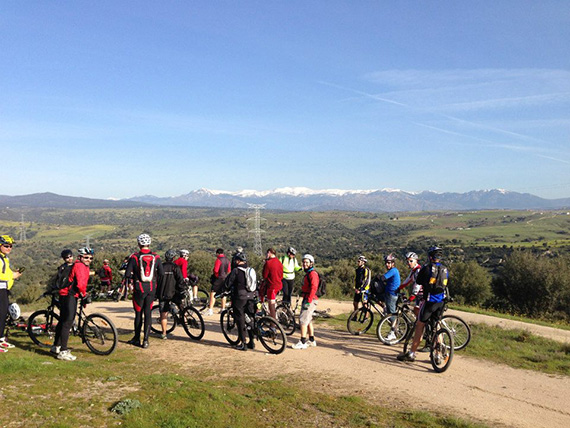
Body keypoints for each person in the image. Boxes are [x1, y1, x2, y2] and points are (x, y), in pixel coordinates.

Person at [398, 246, 449, 363]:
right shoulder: (445, 269)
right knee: (437, 326)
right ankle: (437, 356)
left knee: (420, 326)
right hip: (440, 302)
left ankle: (411, 353)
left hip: (428, 302)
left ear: (430, 256)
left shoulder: (426, 268)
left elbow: (419, 281)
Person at [51, 246, 93, 360]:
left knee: (63, 320)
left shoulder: (82, 265)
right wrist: (84, 294)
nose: (89, 260)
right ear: (80, 257)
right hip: (69, 295)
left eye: (91, 258)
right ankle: (63, 351)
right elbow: (80, 284)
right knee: (68, 322)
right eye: (86, 257)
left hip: (66, 294)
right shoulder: (79, 266)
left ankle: (56, 346)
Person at [124, 233, 164, 348]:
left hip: (138, 288)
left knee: (138, 314)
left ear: (138, 244)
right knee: (148, 314)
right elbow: (161, 273)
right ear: (149, 243)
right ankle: (146, 340)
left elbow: (127, 274)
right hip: (151, 288)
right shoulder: (156, 257)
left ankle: (137, 338)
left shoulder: (134, 257)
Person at [224, 252, 255, 351]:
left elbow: (227, 283)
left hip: (240, 297)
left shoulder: (236, 271)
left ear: (237, 261)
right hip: (251, 296)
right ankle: (252, 341)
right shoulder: (249, 270)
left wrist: (220, 292)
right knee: (249, 318)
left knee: (240, 319)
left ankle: (243, 343)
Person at [0, 235, 22, 353]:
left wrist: (14, 274)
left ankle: (1, 338)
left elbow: (6, 272)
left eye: (11, 246)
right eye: (6, 246)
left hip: (4, 289)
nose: (9, 248)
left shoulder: (5, 258)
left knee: (3, 314)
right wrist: (11, 276)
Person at [292, 254, 319, 350]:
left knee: (303, 320)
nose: (304, 264)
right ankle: (311, 340)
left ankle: (302, 342)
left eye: (307, 262)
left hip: (310, 300)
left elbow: (314, 288)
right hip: (308, 298)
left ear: (311, 263)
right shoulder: (309, 273)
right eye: (303, 262)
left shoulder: (312, 274)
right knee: (308, 320)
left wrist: (308, 300)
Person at [157, 249, 185, 339]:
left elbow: (156, 280)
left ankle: (164, 333)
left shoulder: (160, 267)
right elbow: (180, 280)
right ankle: (182, 318)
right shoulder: (175, 267)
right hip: (173, 292)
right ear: (173, 258)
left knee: (163, 313)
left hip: (162, 293)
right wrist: (182, 289)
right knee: (180, 305)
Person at [205, 248, 230, 316]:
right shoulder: (227, 260)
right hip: (225, 278)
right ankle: (223, 308)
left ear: (217, 253)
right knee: (223, 293)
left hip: (218, 278)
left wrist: (216, 276)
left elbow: (216, 270)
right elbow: (229, 270)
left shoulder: (218, 260)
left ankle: (210, 309)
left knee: (213, 292)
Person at [398, 252, 423, 316]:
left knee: (420, 314)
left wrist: (412, 297)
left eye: (411, 261)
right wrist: (399, 288)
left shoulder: (418, 270)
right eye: (407, 261)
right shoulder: (413, 270)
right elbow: (408, 280)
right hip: (418, 295)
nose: (409, 263)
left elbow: (418, 285)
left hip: (422, 295)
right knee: (417, 313)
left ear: (416, 261)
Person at [261, 248, 283, 319]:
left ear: (269, 253)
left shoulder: (268, 263)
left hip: (271, 286)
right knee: (274, 302)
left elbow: (264, 275)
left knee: (271, 305)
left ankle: (273, 323)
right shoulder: (279, 262)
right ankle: (275, 317)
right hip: (279, 284)